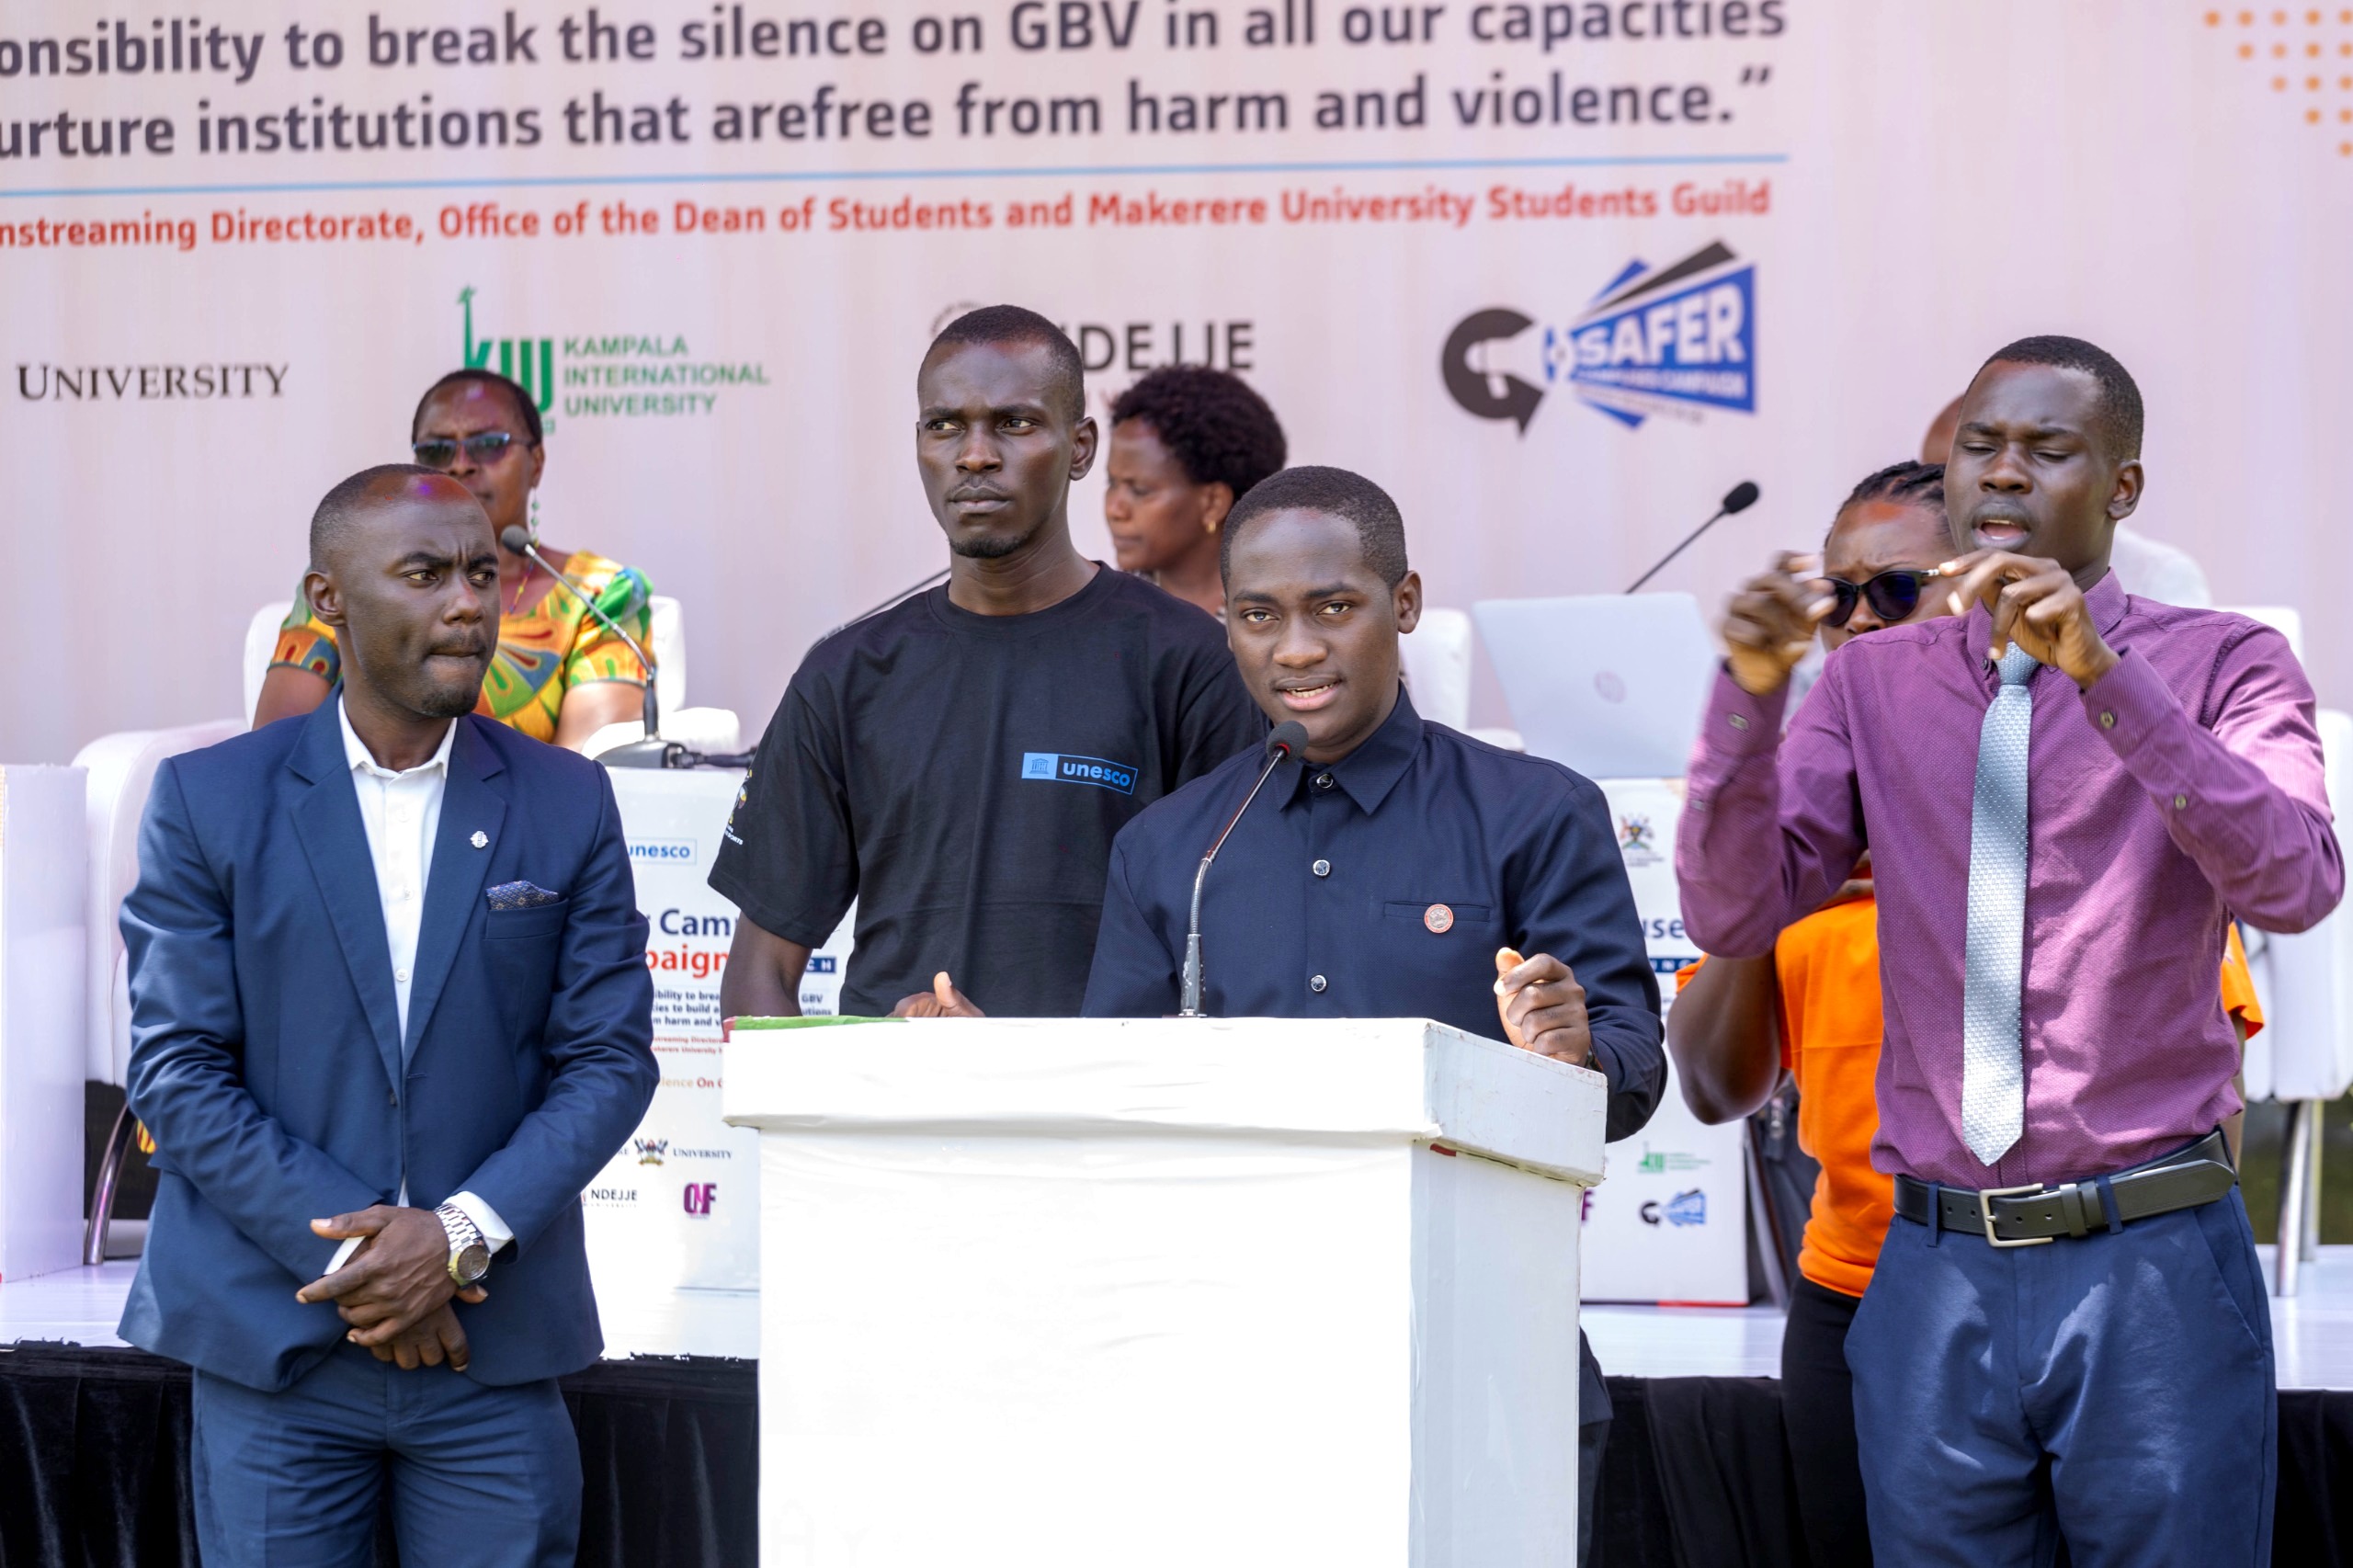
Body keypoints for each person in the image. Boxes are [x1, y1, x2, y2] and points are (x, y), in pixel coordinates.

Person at [1678, 336, 2340, 1562]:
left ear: (2122, 488)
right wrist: (1750, 693)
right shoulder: (1871, 683)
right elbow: (1733, 913)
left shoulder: (2228, 661)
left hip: (2149, 1260)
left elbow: (2296, 879)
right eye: (1981, 446)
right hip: (1934, 1264)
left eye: (2048, 450)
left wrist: (2109, 679)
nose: (2004, 474)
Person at [1080, 464, 1663, 1567]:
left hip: (1487, 1364)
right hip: (1229, 1375)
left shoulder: (1536, 813)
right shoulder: (1171, 847)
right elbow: (1116, 1109)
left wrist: (1573, 1053)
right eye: (1257, 615)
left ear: (1403, 605)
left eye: (1331, 607)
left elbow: (1633, 1067)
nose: (1294, 648)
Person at [119, 464, 659, 1566]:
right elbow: (176, 1070)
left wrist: (455, 1238)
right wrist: (380, 1257)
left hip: (492, 1353)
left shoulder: (568, 798)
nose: (467, 602)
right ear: (328, 601)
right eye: (423, 574)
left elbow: (607, 1059)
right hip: (278, 1345)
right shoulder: (208, 798)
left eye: (479, 572)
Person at [711, 307, 1265, 1020]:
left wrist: (1027, 1075)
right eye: (945, 426)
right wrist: (850, 1098)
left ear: (1081, 447)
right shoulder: (845, 675)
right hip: (893, 1120)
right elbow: (759, 978)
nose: (974, 455)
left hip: (1112, 1120)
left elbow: (1249, 955)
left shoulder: (1189, 663)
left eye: (1015, 424)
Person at [256, 368, 655, 751]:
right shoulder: (355, 579)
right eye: (437, 449)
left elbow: (589, 767)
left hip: (533, 817)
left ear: (536, 464)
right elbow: (278, 749)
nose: (460, 462)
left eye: (488, 444)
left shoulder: (597, 592)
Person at [1924, 392, 2212, 607]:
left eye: (2050, 454)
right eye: (1931, 480)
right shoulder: (1918, 563)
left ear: (2121, 487)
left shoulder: (2158, 574)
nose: (1998, 478)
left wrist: (2097, 666)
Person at [1103, 364, 1289, 618]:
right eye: (1112, 483)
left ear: (1213, 503)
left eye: (1140, 490)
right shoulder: (1113, 618)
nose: (1115, 509)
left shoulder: (1279, 624)